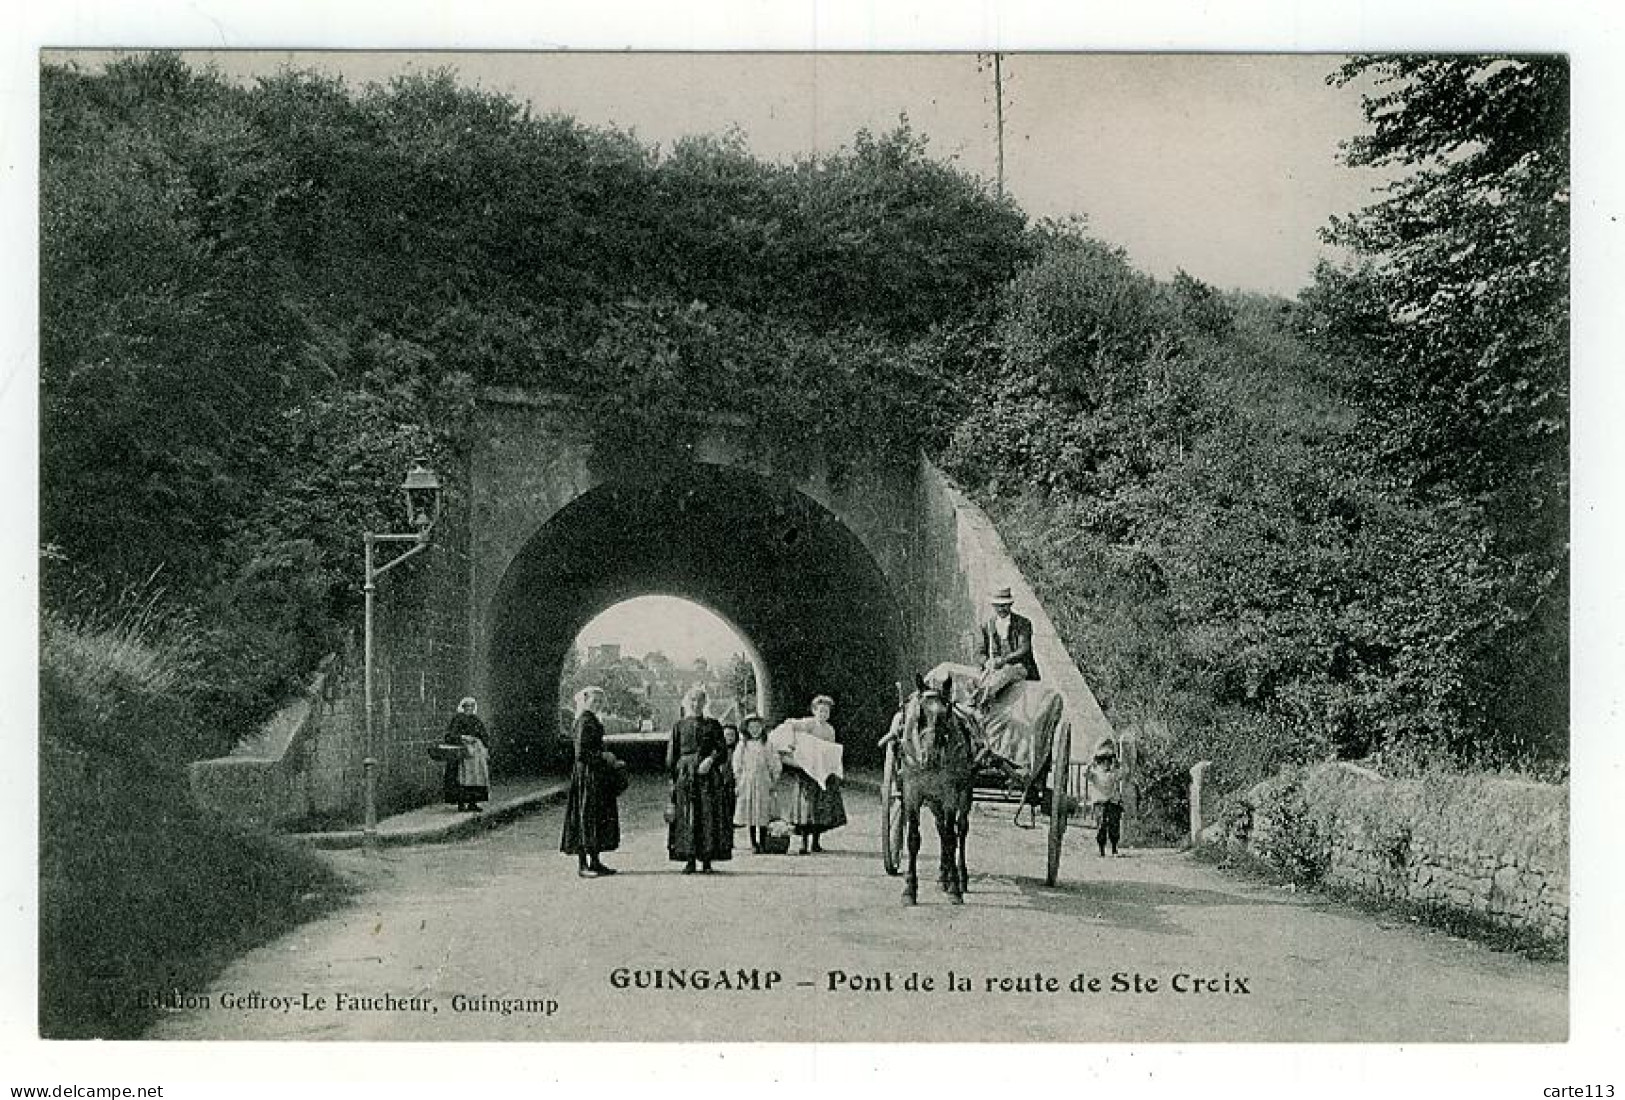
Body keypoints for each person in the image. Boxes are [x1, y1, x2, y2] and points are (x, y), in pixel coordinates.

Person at [667, 687, 733, 873]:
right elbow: (672, 757)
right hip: (686, 777)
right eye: (693, 701)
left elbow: (722, 750)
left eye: (700, 701)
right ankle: (689, 859)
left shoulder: (713, 725)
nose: (696, 705)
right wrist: (675, 779)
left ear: (705, 704)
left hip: (708, 778)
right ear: (687, 703)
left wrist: (711, 760)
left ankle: (706, 860)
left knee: (708, 817)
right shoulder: (679, 726)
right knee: (687, 817)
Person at [560, 687, 622, 878]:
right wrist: (604, 756)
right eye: (594, 701)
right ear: (585, 701)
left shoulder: (590, 719)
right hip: (587, 775)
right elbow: (581, 754)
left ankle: (594, 861)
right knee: (585, 816)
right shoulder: (584, 721)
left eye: (600, 702)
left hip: (595, 775)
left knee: (595, 817)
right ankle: (583, 865)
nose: (597, 705)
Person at [781, 694, 847, 855]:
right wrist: (792, 744)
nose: (823, 715)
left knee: (821, 808)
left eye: (827, 712)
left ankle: (816, 842)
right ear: (814, 711)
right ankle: (803, 843)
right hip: (807, 771)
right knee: (806, 808)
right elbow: (790, 724)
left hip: (822, 772)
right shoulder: (809, 724)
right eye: (821, 711)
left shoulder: (830, 729)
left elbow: (831, 750)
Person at [974, 586, 1040, 708]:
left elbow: (1024, 649)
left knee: (1007, 671)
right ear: (993, 606)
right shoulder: (987, 625)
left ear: (1010, 605)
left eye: (1004, 605)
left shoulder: (1023, 623)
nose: (1001, 609)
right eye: (998, 606)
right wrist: (986, 662)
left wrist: (1003, 660)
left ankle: (982, 700)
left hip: (1019, 667)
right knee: (978, 677)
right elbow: (980, 652)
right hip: (995, 669)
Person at [732, 714, 781, 853]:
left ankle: (764, 842)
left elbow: (774, 762)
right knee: (751, 812)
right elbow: (737, 762)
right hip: (748, 781)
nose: (755, 730)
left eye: (757, 727)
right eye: (751, 727)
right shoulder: (743, 744)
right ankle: (754, 843)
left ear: (762, 728)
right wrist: (739, 778)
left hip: (763, 781)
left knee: (763, 812)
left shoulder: (767, 744)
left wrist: (774, 777)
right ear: (747, 729)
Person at [432, 697, 489, 812]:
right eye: (467, 706)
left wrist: (483, 744)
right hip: (463, 753)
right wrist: (463, 737)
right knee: (462, 778)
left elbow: (483, 734)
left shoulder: (476, 720)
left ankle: (473, 803)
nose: (469, 709)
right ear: (462, 707)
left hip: (475, 754)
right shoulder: (457, 719)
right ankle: (461, 803)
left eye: (472, 706)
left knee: (476, 778)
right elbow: (449, 736)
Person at [1084, 740, 1126, 858]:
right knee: (1101, 825)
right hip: (1100, 802)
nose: (1106, 763)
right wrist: (1091, 763)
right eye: (1103, 760)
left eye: (1108, 760)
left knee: (1114, 825)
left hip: (1113, 802)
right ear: (1099, 762)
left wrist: (1118, 763)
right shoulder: (1096, 773)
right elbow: (1085, 773)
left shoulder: (1114, 773)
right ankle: (1101, 849)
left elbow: (1124, 773)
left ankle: (1114, 848)